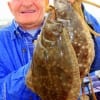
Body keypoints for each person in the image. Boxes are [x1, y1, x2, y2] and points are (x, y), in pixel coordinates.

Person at [0, 0, 100, 100]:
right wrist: (41, 64)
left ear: (46, 2)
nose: (27, 3)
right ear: (10, 5)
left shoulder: (68, 23)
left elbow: (94, 61)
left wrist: (76, 9)